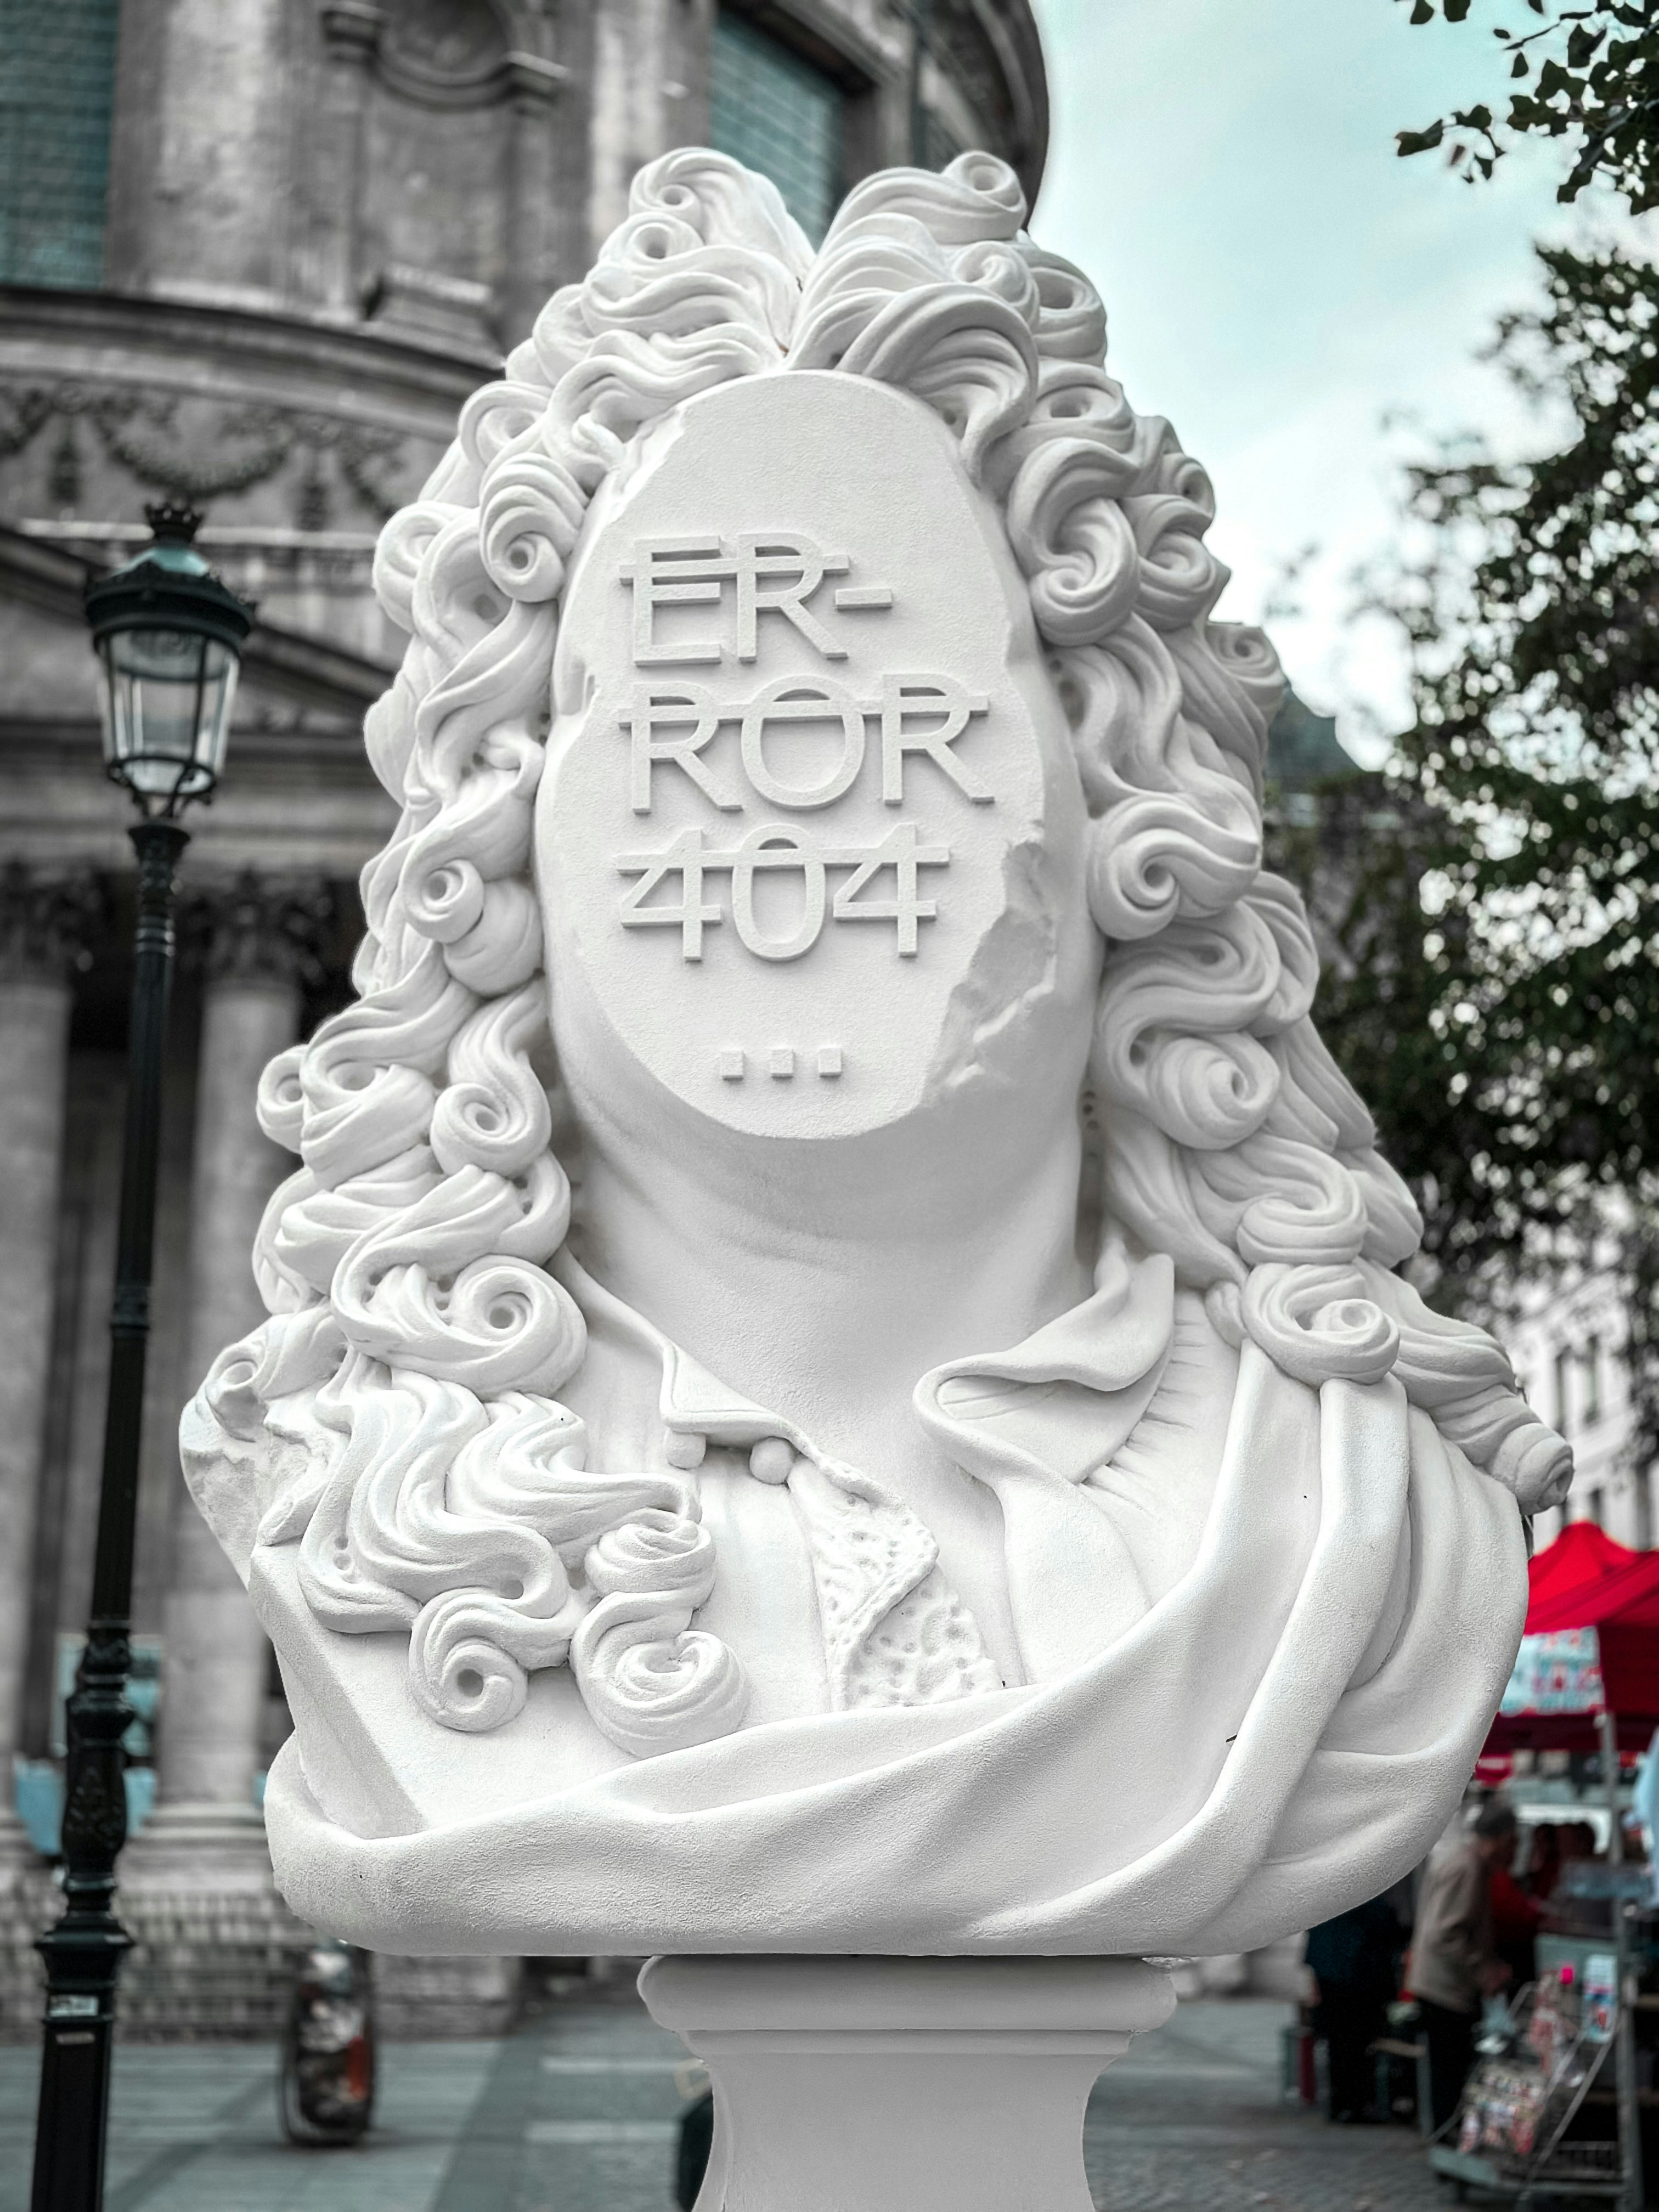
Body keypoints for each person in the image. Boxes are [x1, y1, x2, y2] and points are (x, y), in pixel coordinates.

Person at [1406, 1802, 1518, 2132]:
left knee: (1447, 2071)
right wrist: (1483, 1971)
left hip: (1440, 1984)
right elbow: (1446, 1934)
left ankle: (1446, 2134)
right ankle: (1446, 2137)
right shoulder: (1467, 1867)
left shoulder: (1462, 1860)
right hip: (1446, 1988)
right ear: (1502, 1839)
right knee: (1449, 2072)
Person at [1305, 1892, 1404, 2122]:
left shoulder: (1326, 1897)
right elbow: (1386, 1928)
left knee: (1339, 2043)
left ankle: (1342, 2102)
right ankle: (1353, 2103)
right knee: (1356, 2043)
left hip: (1335, 1972)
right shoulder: (1366, 1898)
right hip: (1356, 1976)